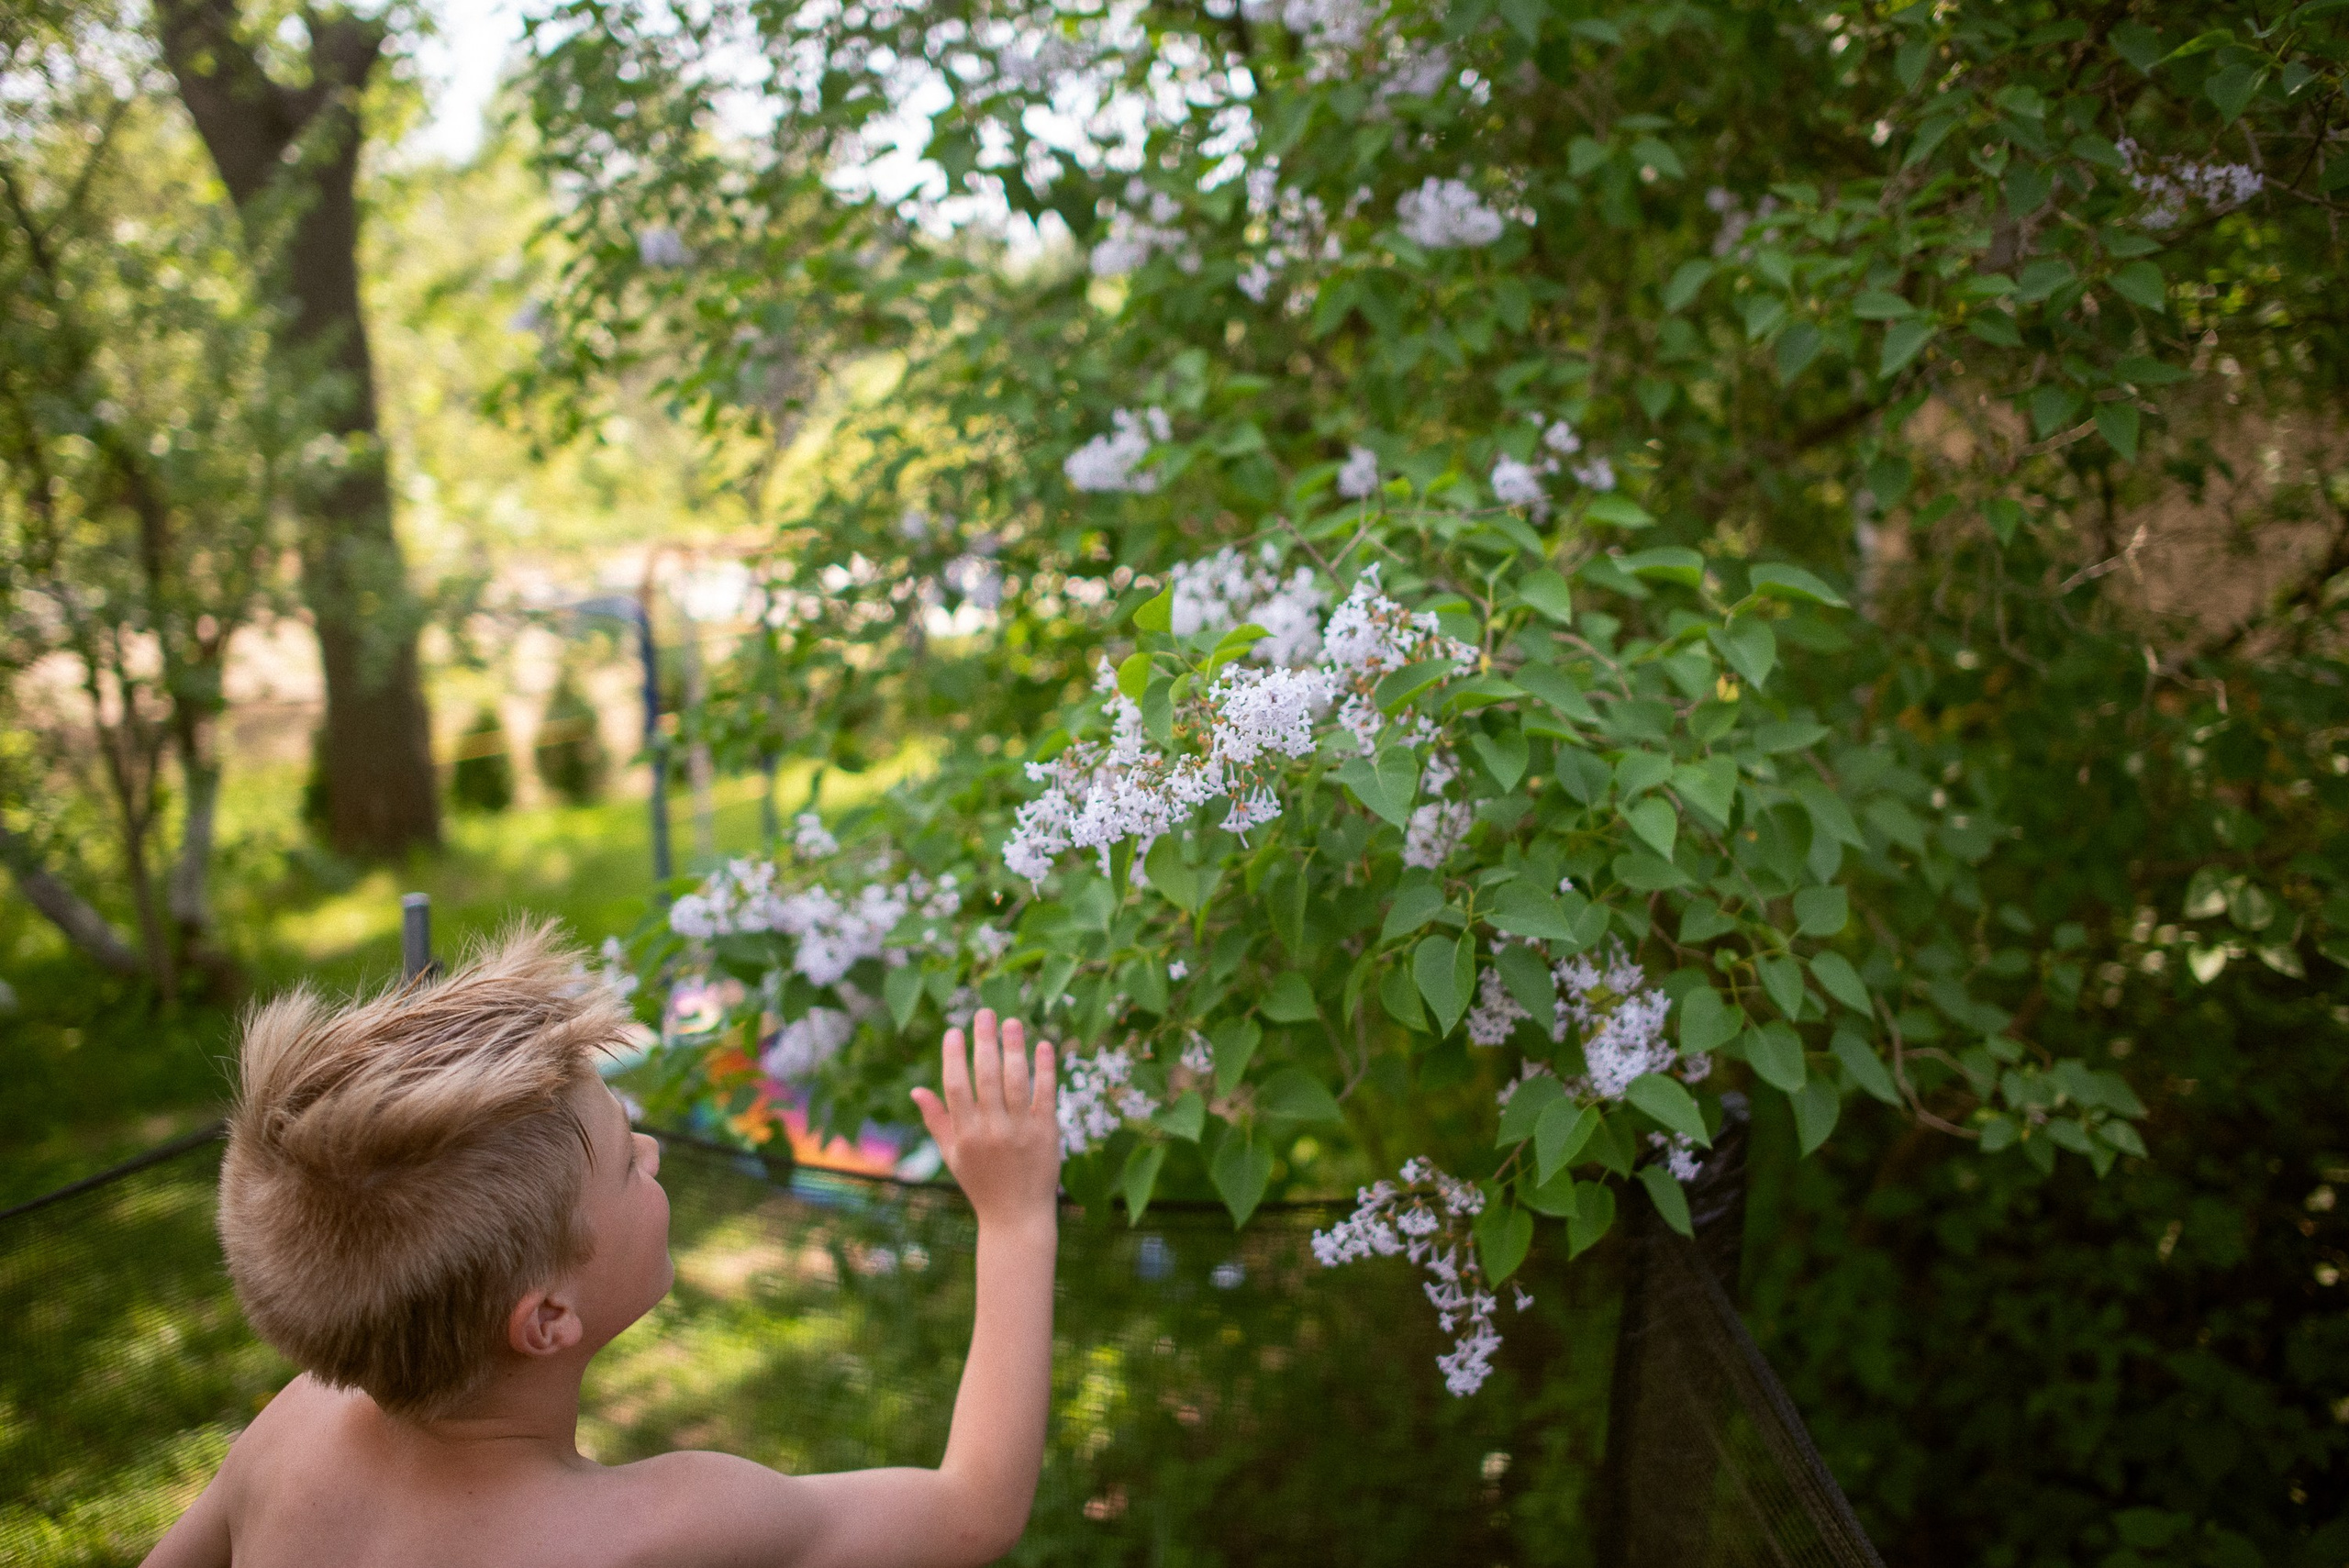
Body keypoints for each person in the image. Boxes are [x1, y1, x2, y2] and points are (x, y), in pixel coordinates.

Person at [141, 924, 1062, 1568]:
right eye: (628, 1161)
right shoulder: (659, 1530)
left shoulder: (294, 1432)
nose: (654, 1151)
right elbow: (971, 1511)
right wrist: (1015, 1216)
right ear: (546, 1317)